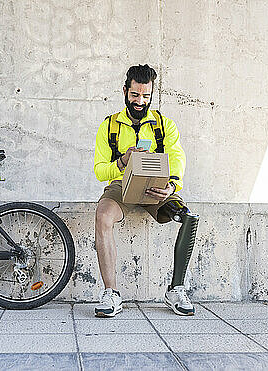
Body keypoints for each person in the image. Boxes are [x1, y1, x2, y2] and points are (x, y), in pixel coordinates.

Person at [93, 64, 199, 317]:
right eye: (135, 95)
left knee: (188, 217)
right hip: (122, 185)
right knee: (102, 215)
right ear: (125, 92)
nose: (140, 101)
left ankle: (176, 289)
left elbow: (176, 159)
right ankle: (111, 293)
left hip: (156, 188)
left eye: (146, 96)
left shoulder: (165, 125)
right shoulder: (109, 126)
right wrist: (122, 161)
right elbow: (99, 170)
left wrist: (172, 185)